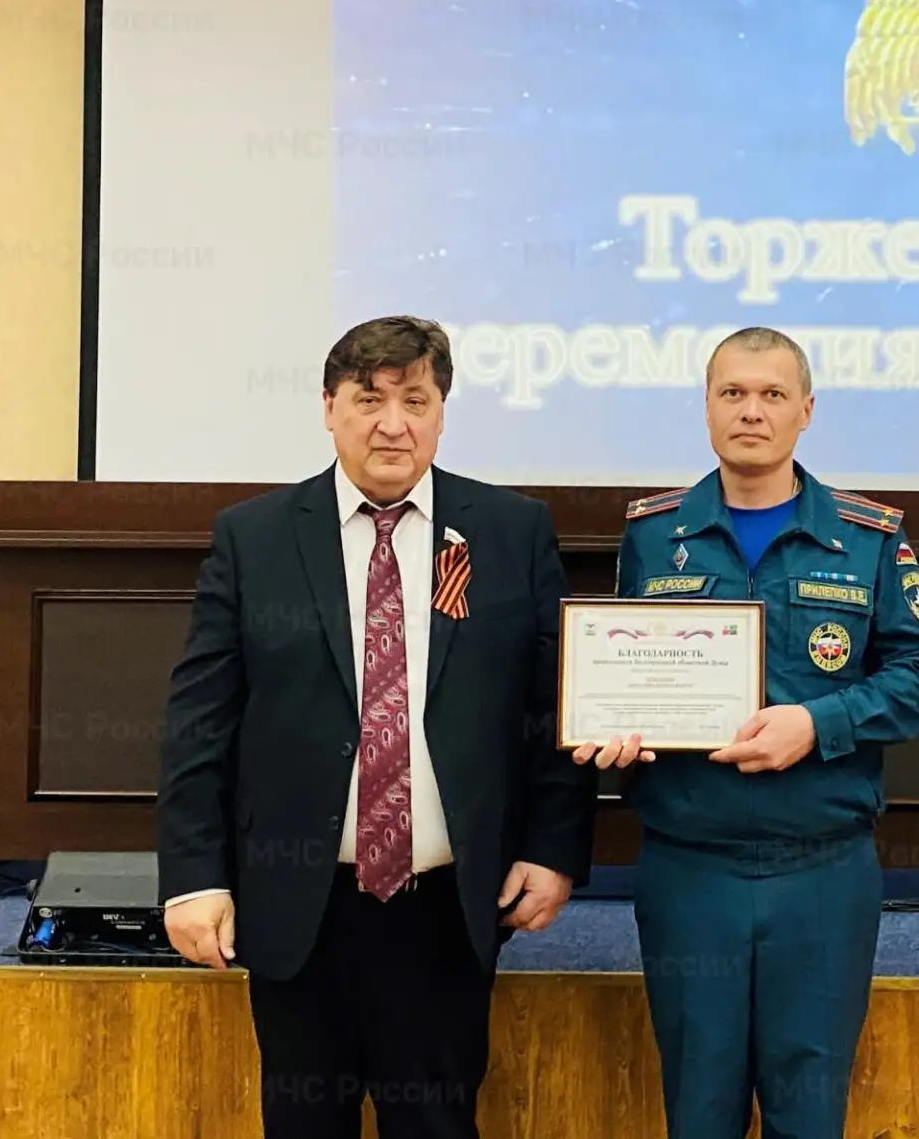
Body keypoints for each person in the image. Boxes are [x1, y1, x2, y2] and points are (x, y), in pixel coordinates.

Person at [157, 315, 597, 1139]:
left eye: (415, 400)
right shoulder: (254, 537)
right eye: (369, 400)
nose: (393, 424)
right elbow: (200, 723)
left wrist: (553, 849)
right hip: (299, 902)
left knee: (436, 1124)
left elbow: (551, 707)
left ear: (441, 413)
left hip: (445, 908)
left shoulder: (509, 532)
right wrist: (194, 877)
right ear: (329, 408)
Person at [574, 326, 919, 1139]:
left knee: (808, 1113)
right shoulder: (654, 534)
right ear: (707, 407)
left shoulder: (867, 538)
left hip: (819, 873)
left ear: (806, 411)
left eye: (773, 395)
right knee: (698, 1111)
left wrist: (818, 723)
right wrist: (615, 726)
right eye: (734, 393)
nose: (752, 411)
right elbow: (622, 671)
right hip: (690, 868)